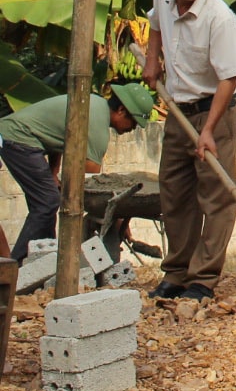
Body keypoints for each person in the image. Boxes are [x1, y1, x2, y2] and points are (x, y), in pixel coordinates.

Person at [143, 0, 236, 302]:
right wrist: (152, 59)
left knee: (216, 197)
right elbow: (155, 24)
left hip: (215, 113)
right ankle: (176, 272)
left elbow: (229, 78)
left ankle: (203, 278)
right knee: (174, 194)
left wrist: (207, 131)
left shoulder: (220, 18)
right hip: (177, 111)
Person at [5, 84, 155, 262]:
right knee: (48, 203)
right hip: (17, 138)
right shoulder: (97, 129)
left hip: (15, 135)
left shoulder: (94, 104)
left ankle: (43, 260)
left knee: (45, 203)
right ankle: (15, 266)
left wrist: (53, 173)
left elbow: (59, 136)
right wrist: (115, 217)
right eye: (134, 123)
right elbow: (92, 188)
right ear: (121, 110)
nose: (133, 129)